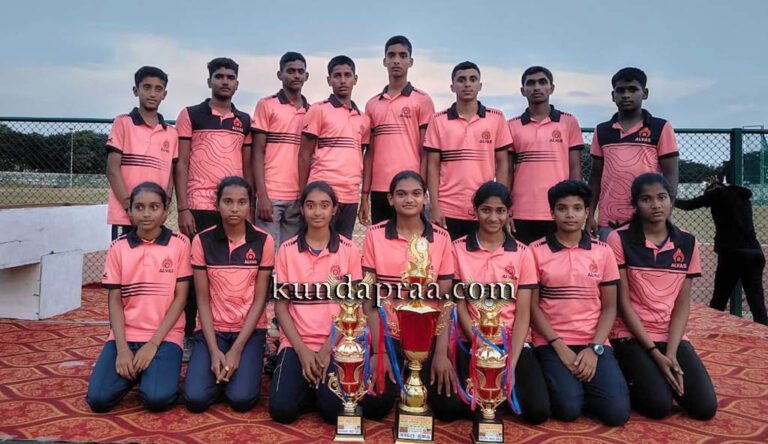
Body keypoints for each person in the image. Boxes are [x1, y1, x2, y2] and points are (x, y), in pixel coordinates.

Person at [609, 173, 717, 419]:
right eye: (646, 199)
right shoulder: (620, 238)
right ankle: (629, 373)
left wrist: (671, 352)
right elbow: (623, 304)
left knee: (704, 408)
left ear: (671, 200)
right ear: (635, 204)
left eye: (662, 197)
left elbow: (682, 304)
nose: (656, 205)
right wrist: (654, 353)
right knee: (658, 406)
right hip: (630, 334)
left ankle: (655, 373)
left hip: (669, 336)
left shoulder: (687, 242)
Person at [361, 170, 463, 421]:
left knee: (449, 408)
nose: (409, 199)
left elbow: (446, 301)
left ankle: (413, 375)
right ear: (390, 199)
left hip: (427, 335)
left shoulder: (441, 238)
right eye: (401, 194)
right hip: (389, 334)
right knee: (374, 407)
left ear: (425, 198)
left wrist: (441, 353)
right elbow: (369, 299)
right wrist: (379, 352)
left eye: (416, 193)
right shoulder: (375, 235)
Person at [446, 181, 550, 424]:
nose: (493, 217)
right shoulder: (457, 249)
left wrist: (510, 363)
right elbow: (459, 305)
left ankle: (499, 393)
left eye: (500, 211)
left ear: (509, 213)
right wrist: (480, 345)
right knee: (449, 409)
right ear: (475, 211)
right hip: (471, 342)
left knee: (538, 411)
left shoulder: (523, 253)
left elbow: (523, 313)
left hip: (511, 343)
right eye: (486, 210)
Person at [269, 181, 371, 424]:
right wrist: (302, 351)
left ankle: (315, 389)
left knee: (333, 411)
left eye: (324, 206)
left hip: (336, 342)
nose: (317, 212)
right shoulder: (287, 250)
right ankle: (304, 382)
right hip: (296, 342)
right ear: (302, 209)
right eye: (311, 205)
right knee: (282, 411)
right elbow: (281, 307)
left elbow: (352, 309)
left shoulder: (348, 250)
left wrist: (327, 350)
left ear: (334, 209)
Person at [529, 180, 630, 426]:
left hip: (593, 341)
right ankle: (573, 388)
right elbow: (532, 307)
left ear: (587, 212)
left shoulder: (603, 251)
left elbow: (610, 306)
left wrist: (595, 348)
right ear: (552, 213)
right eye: (562, 208)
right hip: (552, 341)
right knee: (568, 410)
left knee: (617, 414)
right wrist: (558, 345)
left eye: (577, 208)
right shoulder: (535, 251)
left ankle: (594, 386)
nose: (570, 214)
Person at [86, 182, 191, 413]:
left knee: (157, 399)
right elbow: (114, 301)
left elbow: (181, 298)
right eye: (139, 207)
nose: (146, 214)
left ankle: (147, 372)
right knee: (98, 400)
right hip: (126, 335)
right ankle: (136, 371)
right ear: (130, 211)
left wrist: (153, 344)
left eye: (154, 207)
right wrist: (122, 349)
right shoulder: (118, 247)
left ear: (165, 211)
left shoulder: (180, 244)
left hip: (165, 336)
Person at [174, 57, 253, 354]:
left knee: (230, 274)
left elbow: (246, 168)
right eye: (219, 76)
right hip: (198, 207)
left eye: (230, 77)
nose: (224, 81)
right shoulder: (191, 115)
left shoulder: (244, 120)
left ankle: (230, 332)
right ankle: (188, 334)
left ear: (237, 83)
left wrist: (248, 207)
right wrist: (183, 208)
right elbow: (181, 163)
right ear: (209, 81)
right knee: (195, 274)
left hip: (232, 209)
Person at [183, 177, 274, 413]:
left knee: (241, 399)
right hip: (213, 330)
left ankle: (232, 374)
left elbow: (260, 299)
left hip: (250, 331)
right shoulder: (202, 241)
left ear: (250, 205)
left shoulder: (264, 241)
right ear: (217, 204)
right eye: (228, 202)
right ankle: (219, 372)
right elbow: (202, 299)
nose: (235, 208)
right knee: (195, 399)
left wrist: (236, 350)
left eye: (242, 202)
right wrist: (214, 351)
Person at [587, 67, 679, 241]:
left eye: (633, 89)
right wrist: (590, 214)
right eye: (620, 90)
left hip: (647, 219)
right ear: (613, 95)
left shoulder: (660, 127)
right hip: (610, 221)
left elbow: (671, 174)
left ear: (645, 93)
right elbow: (595, 177)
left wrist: (666, 212)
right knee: (611, 260)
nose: (626, 95)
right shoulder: (602, 130)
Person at [425, 61, 511, 240]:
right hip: (448, 207)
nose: (467, 84)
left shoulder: (496, 118)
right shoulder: (438, 120)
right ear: (452, 86)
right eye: (461, 80)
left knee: (481, 255)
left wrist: (502, 203)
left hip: (484, 208)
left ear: (480, 85)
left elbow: (503, 163)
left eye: (473, 79)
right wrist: (434, 206)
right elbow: (432, 165)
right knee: (447, 256)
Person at [360, 35, 435, 225]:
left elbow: (426, 152)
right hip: (380, 189)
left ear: (411, 61)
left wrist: (421, 186)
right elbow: (370, 153)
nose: (396, 60)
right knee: (383, 239)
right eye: (391, 55)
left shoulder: (422, 100)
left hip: (410, 188)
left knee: (413, 241)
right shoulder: (372, 104)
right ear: (384, 61)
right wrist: (365, 194)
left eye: (402, 55)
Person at [675, 172, 767, 324]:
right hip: (754, 252)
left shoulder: (716, 194)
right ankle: (764, 332)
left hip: (731, 253)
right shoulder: (742, 196)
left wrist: (670, 199)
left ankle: (712, 329)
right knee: (756, 300)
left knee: (719, 299)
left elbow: (689, 205)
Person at [508, 66, 584, 244]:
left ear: (552, 88)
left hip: (559, 211)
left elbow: (575, 167)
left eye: (542, 82)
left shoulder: (568, 122)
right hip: (522, 212)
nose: (536, 87)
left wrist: (577, 204)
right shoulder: (511, 125)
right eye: (531, 83)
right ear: (523, 90)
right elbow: (507, 170)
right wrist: (506, 206)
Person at [298, 56, 371, 239]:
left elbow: (362, 157)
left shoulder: (363, 119)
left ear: (355, 79)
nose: (343, 80)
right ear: (329, 80)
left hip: (350, 195)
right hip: (322, 193)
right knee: (317, 243)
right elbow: (304, 155)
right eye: (337, 76)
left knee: (342, 246)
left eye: (347, 75)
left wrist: (364, 197)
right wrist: (303, 195)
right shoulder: (318, 110)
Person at [106, 66, 177, 240]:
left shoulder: (171, 133)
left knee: (152, 256)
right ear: (135, 90)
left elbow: (170, 177)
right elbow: (112, 170)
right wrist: (129, 207)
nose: (152, 94)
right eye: (147, 87)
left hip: (154, 215)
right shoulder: (123, 123)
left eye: (158, 89)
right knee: (124, 256)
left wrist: (164, 207)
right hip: (125, 215)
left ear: (164, 94)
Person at [251, 52, 310, 249]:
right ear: (280, 74)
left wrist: (305, 196)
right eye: (290, 71)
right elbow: (257, 152)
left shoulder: (312, 111)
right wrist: (262, 195)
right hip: (271, 196)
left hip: (298, 197)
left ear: (306, 76)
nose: (296, 75)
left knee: (290, 255)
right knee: (268, 254)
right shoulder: (267, 105)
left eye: (300, 71)